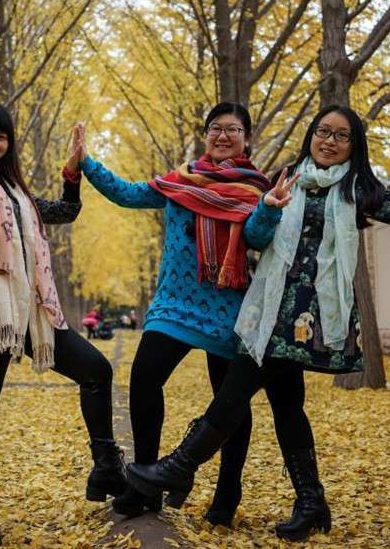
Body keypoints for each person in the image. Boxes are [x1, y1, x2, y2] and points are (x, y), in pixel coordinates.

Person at [125, 105, 390, 542]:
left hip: (307, 322)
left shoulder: (355, 191)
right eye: (323, 131)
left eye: (341, 136)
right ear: (311, 135)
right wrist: (266, 209)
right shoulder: (286, 179)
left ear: (352, 146)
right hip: (266, 310)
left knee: (234, 392)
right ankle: (311, 503)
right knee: (287, 408)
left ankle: (178, 468)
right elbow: (254, 237)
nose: (329, 141)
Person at [0, 102, 126, 547]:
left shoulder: (16, 189)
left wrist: (73, 173)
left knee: (97, 370)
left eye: (1, 137)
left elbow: (65, 212)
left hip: (34, 307)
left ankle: (106, 468)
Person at [77, 103, 280, 525]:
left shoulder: (256, 189)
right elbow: (128, 194)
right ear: (206, 134)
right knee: (144, 378)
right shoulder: (179, 181)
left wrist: (269, 208)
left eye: (233, 130)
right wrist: (86, 163)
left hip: (227, 307)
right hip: (173, 303)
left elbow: (258, 238)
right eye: (215, 129)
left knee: (230, 403)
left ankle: (227, 495)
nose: (222, 136)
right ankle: (145, 481)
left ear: (247, 139)